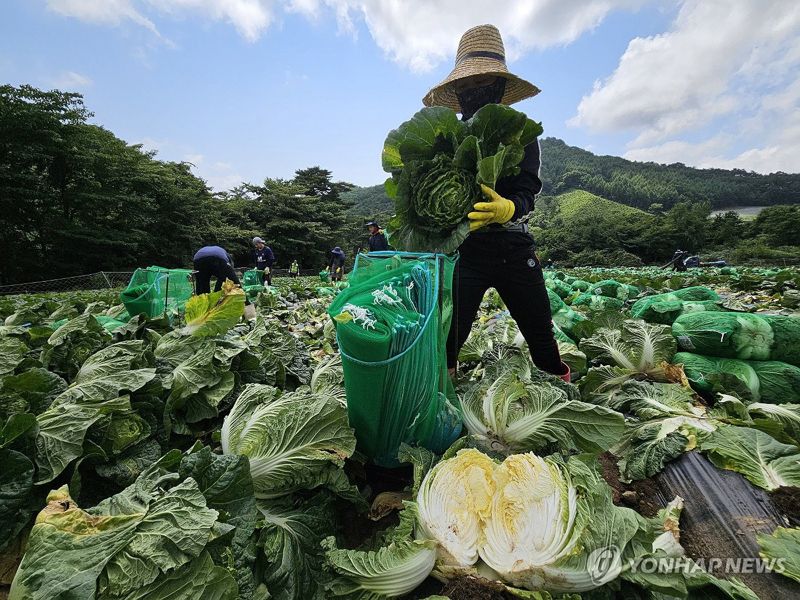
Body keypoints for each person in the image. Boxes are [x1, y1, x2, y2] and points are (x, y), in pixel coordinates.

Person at [422, 24, 569, 382]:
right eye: (467, 85)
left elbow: (527, 191)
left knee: (541, 335)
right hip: (465, 251)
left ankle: (562, 398)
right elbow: (424, 191)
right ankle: (441, 400)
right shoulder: (446, 136)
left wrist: (509, 208)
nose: (475, 91)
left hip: (515, 247)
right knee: (448, 337)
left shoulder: (521, 133)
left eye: (484, 82)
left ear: (500, 85)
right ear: (457, 90)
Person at [192, 245, 256, 319]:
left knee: (202, 290)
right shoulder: (228, 259)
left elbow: (220, 280)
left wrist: (216, 295)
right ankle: (250, 316)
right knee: (236, 285)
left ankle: (203, 316)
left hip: (198, 259)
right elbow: (225, 279)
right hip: (218, 259)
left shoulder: (221, 252)